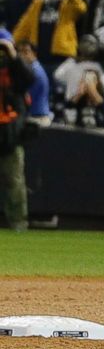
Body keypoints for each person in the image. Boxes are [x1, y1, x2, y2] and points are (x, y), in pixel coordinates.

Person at [0, 32, 34, 231]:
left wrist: (12, 54)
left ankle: (19, 224)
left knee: (14, 181)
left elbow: (29, 79)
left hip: (9, 133)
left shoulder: (15, 70)